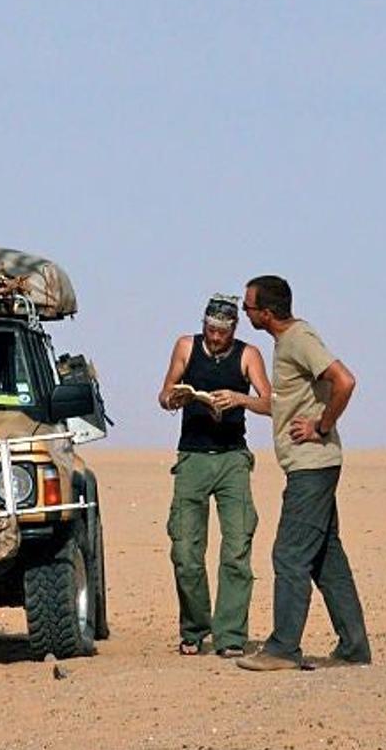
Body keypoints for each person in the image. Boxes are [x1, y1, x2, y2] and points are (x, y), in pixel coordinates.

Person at [236, 275, 372, 672]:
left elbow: (344, 381)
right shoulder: (286, 344)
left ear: (267, 312)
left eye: (248, 308)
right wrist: (242, 400)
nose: (245, 314)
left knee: (290, 554)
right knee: (327, 558)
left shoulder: (299, 339)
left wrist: (322, 425)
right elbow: (283, 405)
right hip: (311, 467)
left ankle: (283, 648)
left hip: (313, 467)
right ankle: (353, 647)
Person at [158, 294, 272, 657]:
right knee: (186, 550)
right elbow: (164, 393)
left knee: (237, 549)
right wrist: (174, 398)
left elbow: (270, 403)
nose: (214, 336)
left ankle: (231, 636)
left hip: (232, 460)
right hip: (192, 458)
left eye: (221, 332)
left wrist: (239, 400)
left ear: (233, 329)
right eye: (209, 329)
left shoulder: (248, 354)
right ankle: (194, 630)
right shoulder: (185, 346)